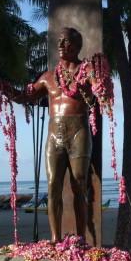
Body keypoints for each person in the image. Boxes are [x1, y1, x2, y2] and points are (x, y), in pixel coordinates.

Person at [14, 27, 94, 243]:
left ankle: (80, 238)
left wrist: (96, 85)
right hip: (54, 134)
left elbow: (98, 91)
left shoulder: (86, 71)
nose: (60, 45)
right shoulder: (48, 77)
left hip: (78, 129)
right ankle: (55, 238)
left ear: (76, 46)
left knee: (79, 183)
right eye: (58, 41)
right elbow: (25, 96)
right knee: (53, 186)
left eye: (65, 41)